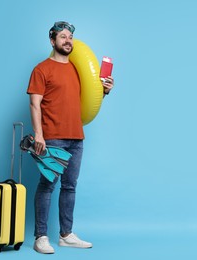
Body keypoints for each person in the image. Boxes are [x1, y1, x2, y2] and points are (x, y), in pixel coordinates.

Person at [26, 21, 114, 254]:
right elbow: (34, 104)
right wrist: (39, 135)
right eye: (62, 37)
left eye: (70, 37)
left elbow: (85, 104)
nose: (68, 41)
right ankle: (41, 237)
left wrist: (103, 92)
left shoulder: (78, 69)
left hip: (76, 137)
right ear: (52, 41)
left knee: (70, 187)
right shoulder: (41, 69)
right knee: (47, 186)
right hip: (52, 137)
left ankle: (66, 235)